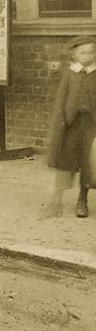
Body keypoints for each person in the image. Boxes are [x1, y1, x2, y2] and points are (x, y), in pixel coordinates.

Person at [45, 35, 96, 218]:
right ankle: (56, 198)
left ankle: (82, 198)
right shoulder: (70, 74)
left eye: (91, 52)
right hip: (71, 124)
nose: (87, 56)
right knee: (65, 161)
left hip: (91, 125)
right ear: (74, 55)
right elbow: (61, 99)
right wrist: (61, 123)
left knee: (88, 162)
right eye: (82, 52)